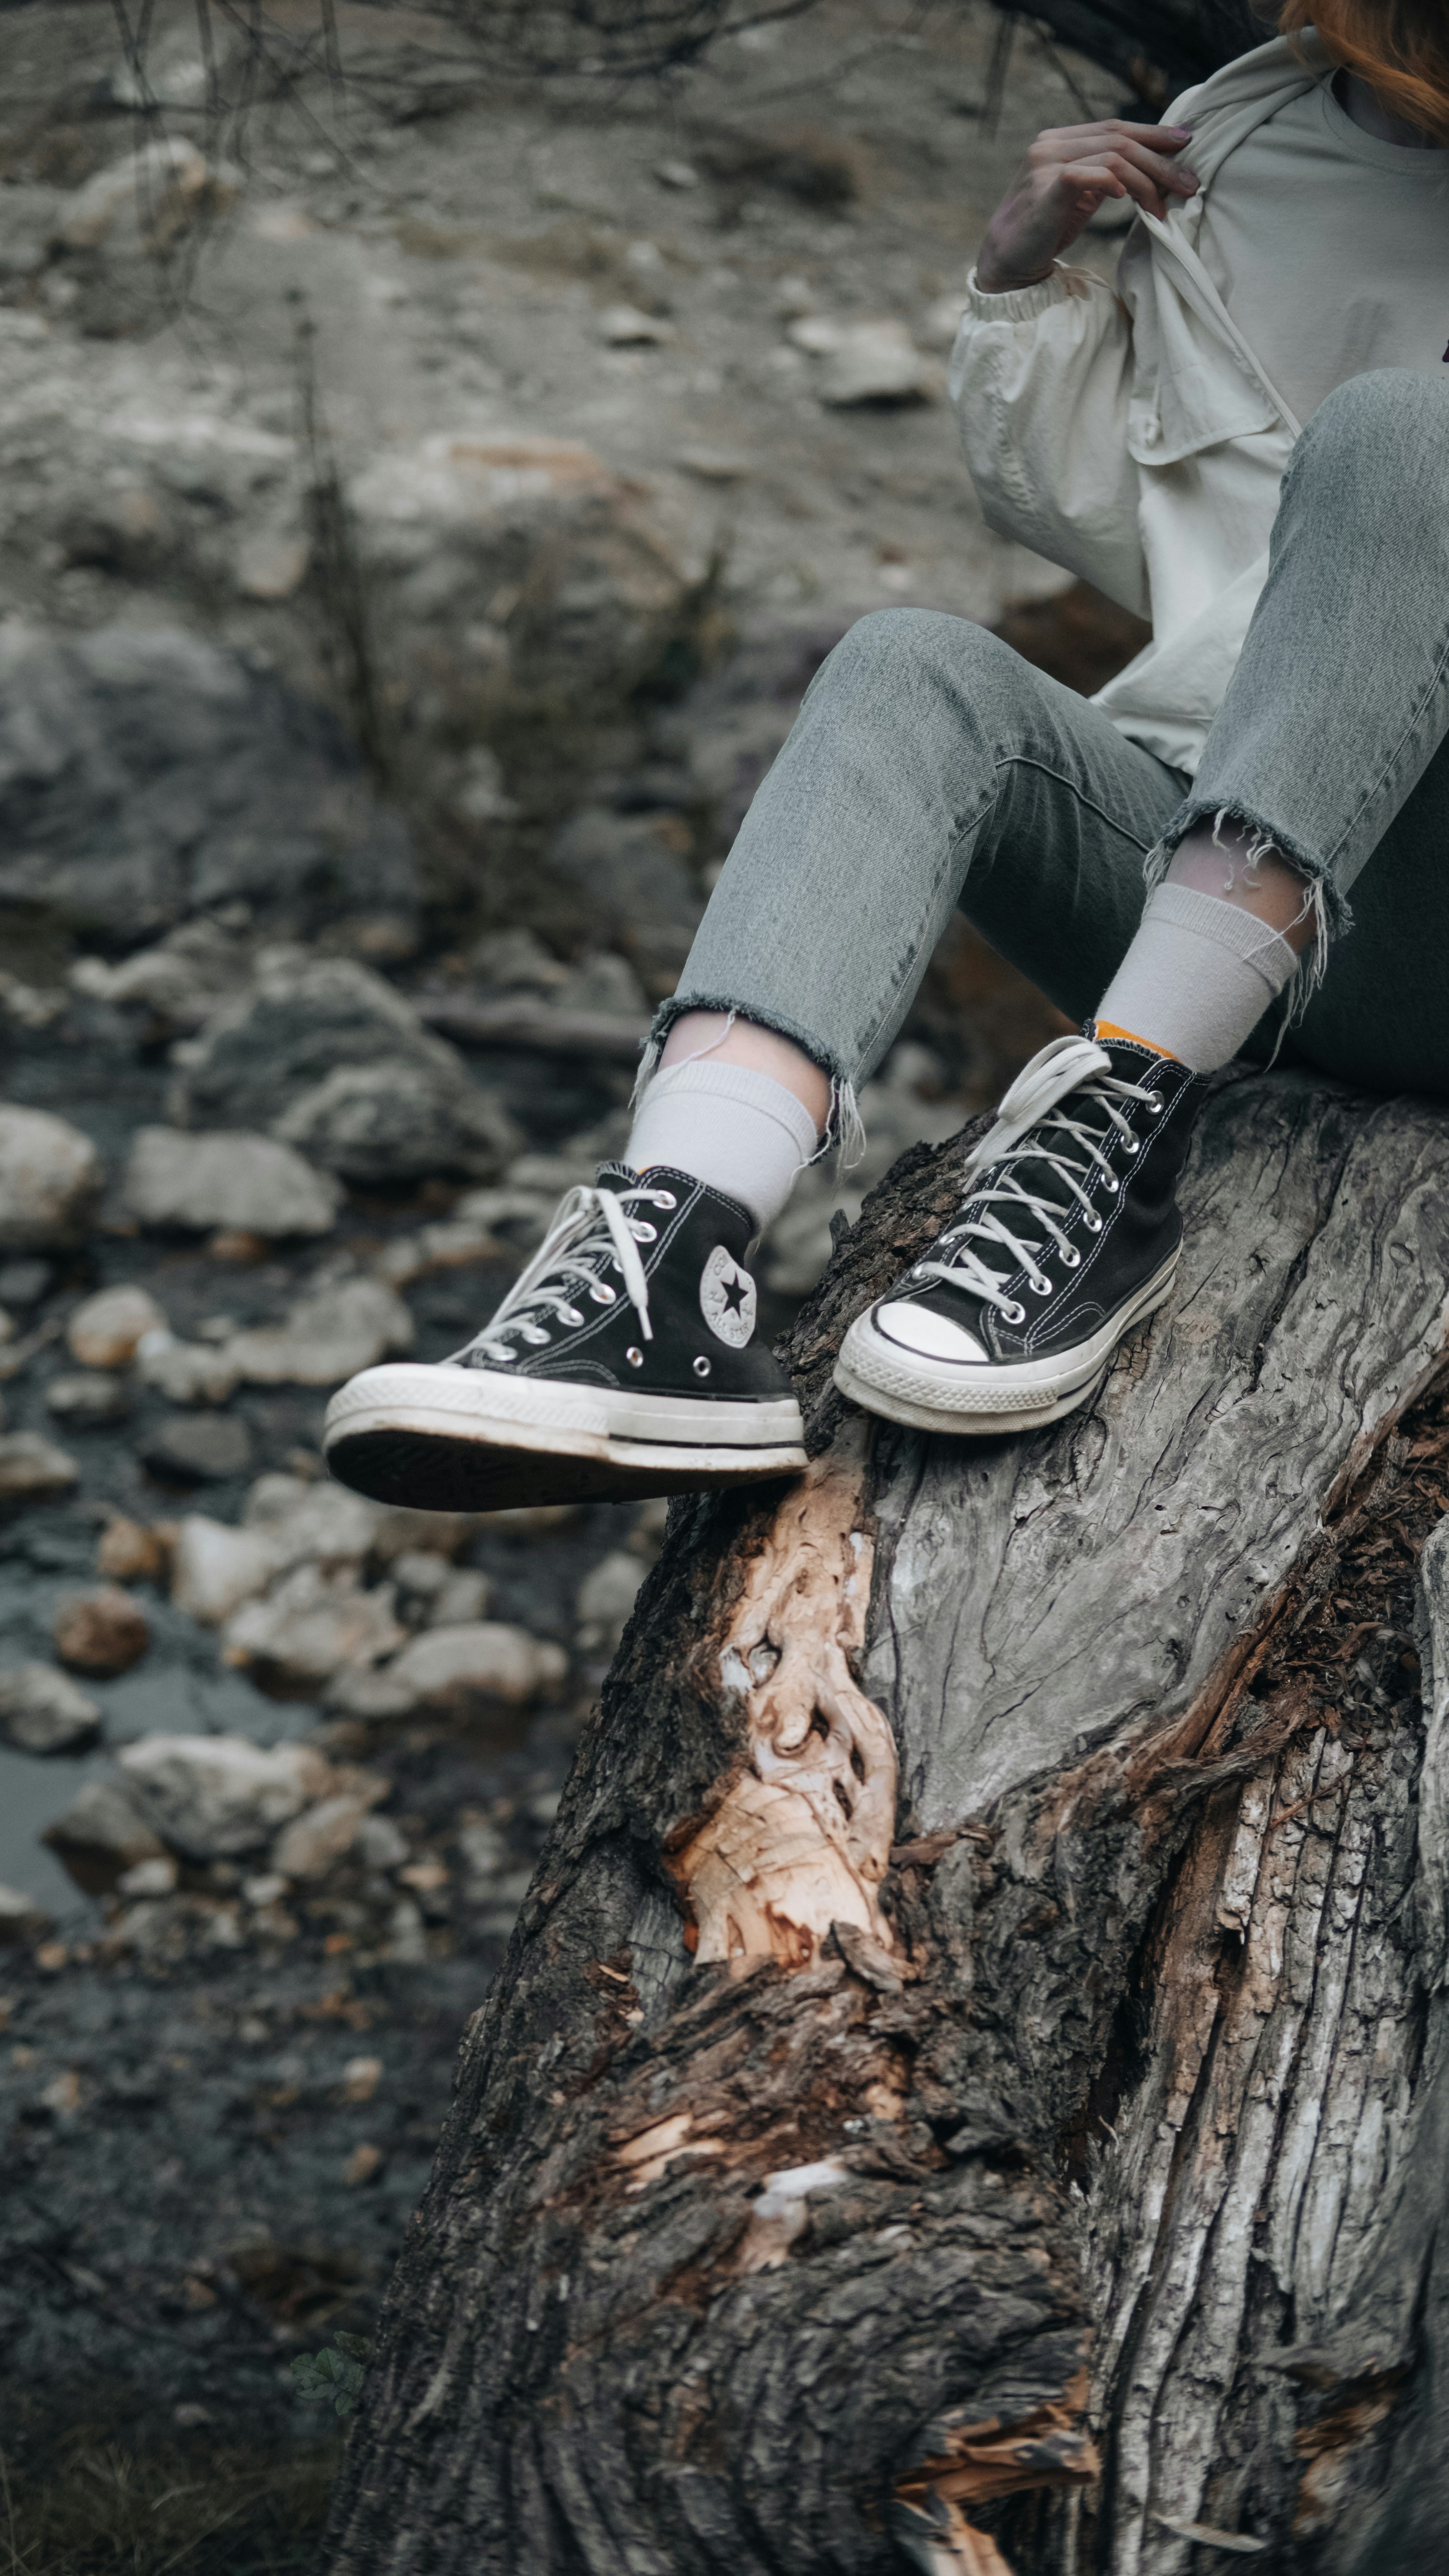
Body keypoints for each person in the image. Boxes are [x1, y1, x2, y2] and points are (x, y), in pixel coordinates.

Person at [324, 0, 1449, 1514]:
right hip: (1263, 912)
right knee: (911, 663)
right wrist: (1021, 274)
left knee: (1402, 429)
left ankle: (1117, 1127)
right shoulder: (1243, 135)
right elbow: (1155, 537)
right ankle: (672, 1257)